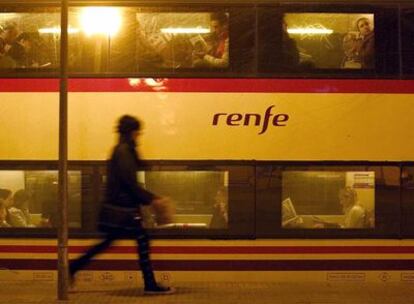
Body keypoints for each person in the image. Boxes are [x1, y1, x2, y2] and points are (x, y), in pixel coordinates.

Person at [69, 115, 174, 295]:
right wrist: (152, 199)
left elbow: (135, 168)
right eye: (139, 131)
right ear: (133, 132)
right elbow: (129, 183)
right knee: (142, 240)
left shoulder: (123, 149)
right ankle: (150, 285)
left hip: (116, 210)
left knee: (107, 242)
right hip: (123, 210)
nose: (140, 135)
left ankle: (74, 266)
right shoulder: (124, 151)